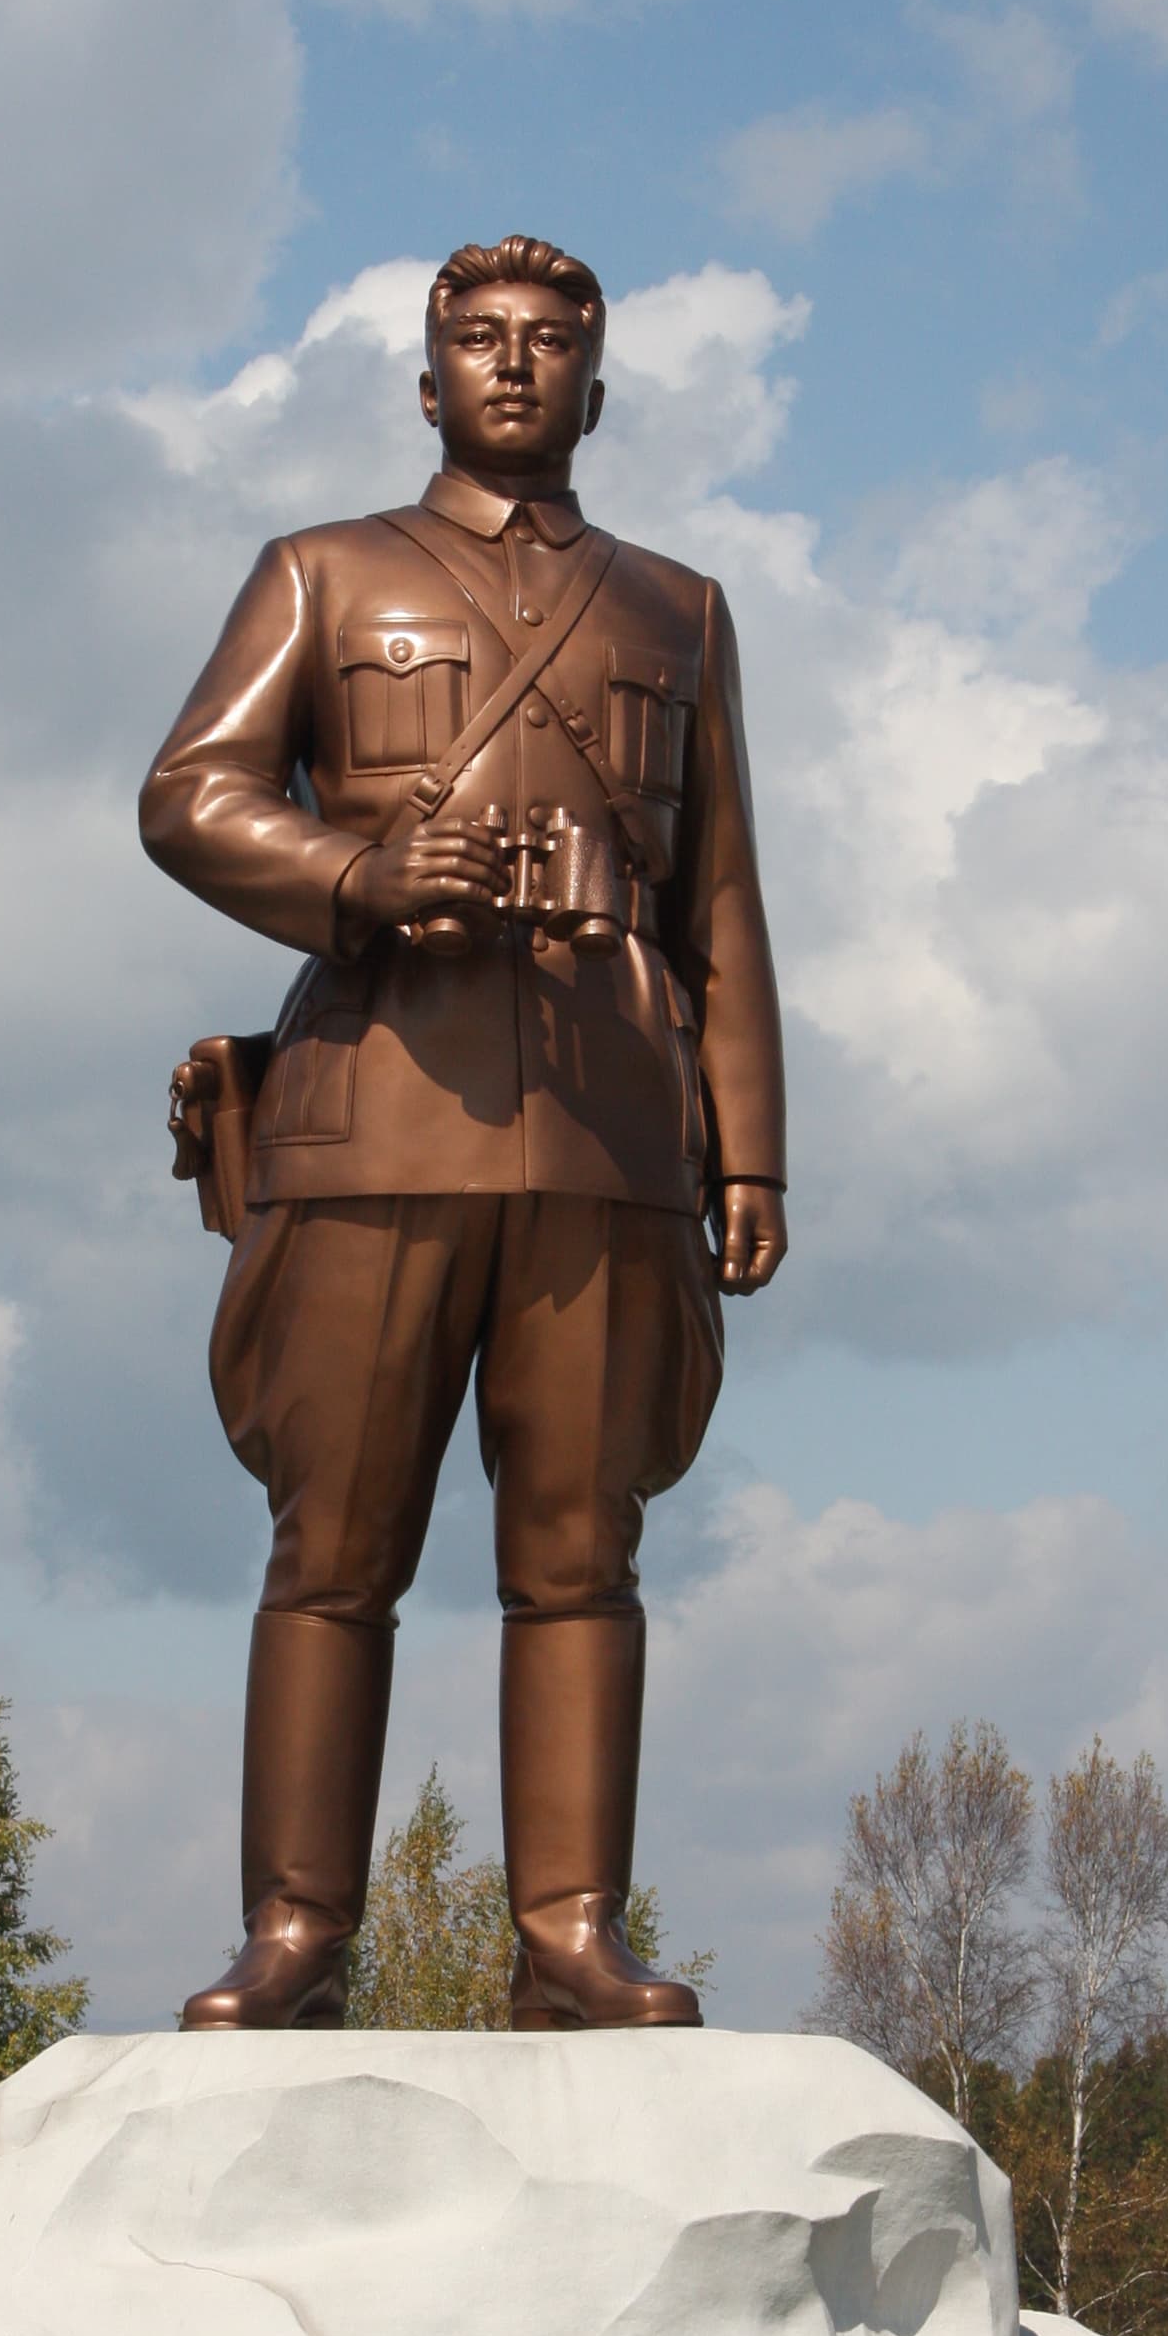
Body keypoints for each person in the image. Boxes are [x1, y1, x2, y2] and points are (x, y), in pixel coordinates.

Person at [140, 235, 787, 2029]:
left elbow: (723, 904)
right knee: (331, 1546)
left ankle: (569, 1936)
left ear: (599, 382)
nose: (515, 367)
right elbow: (189, 795)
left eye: (552, 343)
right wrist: (355, 871)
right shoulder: (324, 576)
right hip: (375, 1121)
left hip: (606, 1134)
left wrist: (750, 1154)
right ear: (428, 383)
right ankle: (297, 1937)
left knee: (582, 1553)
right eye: (480, 342)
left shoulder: (682, 611)